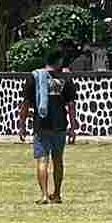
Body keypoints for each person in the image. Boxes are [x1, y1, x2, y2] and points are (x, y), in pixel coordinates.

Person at [23, 59, 76, 204]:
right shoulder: (66, 79)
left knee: (42, 160)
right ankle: (57, 194)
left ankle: (44, 196)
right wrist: (73, 127)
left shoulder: (34, 77)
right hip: (60, 126)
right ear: (59, 61)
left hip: (42, 125)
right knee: (58, 160)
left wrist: (21, 125)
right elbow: (71, 106)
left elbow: (25, 103)